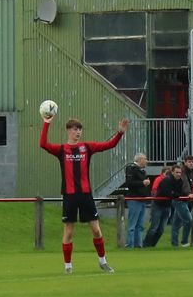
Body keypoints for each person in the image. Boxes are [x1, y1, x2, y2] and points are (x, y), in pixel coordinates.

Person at [39, 111, 128, 273]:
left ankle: (103, 261)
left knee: (96, 230)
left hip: (86, 194)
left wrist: (120, 133)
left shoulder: (87, 147)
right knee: (69, 231)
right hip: (69, 195)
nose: (78, 132)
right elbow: (43, 144)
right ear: (68, 131)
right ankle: (68, 266)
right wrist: (47, 122)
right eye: (75, 129)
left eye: (80, 129)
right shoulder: (62, 150)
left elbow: (110, 145)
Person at [121, 153, 152, 248]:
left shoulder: (142, 171)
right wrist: (142, 183)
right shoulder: (131, 169)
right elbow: (129, 183)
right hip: (134, 199)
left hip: (142, 199)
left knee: (140, 225)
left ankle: (138, 245)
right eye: (145, 159)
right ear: (139, 160)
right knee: (132, 224)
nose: (146, 161)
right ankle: (129, 244)